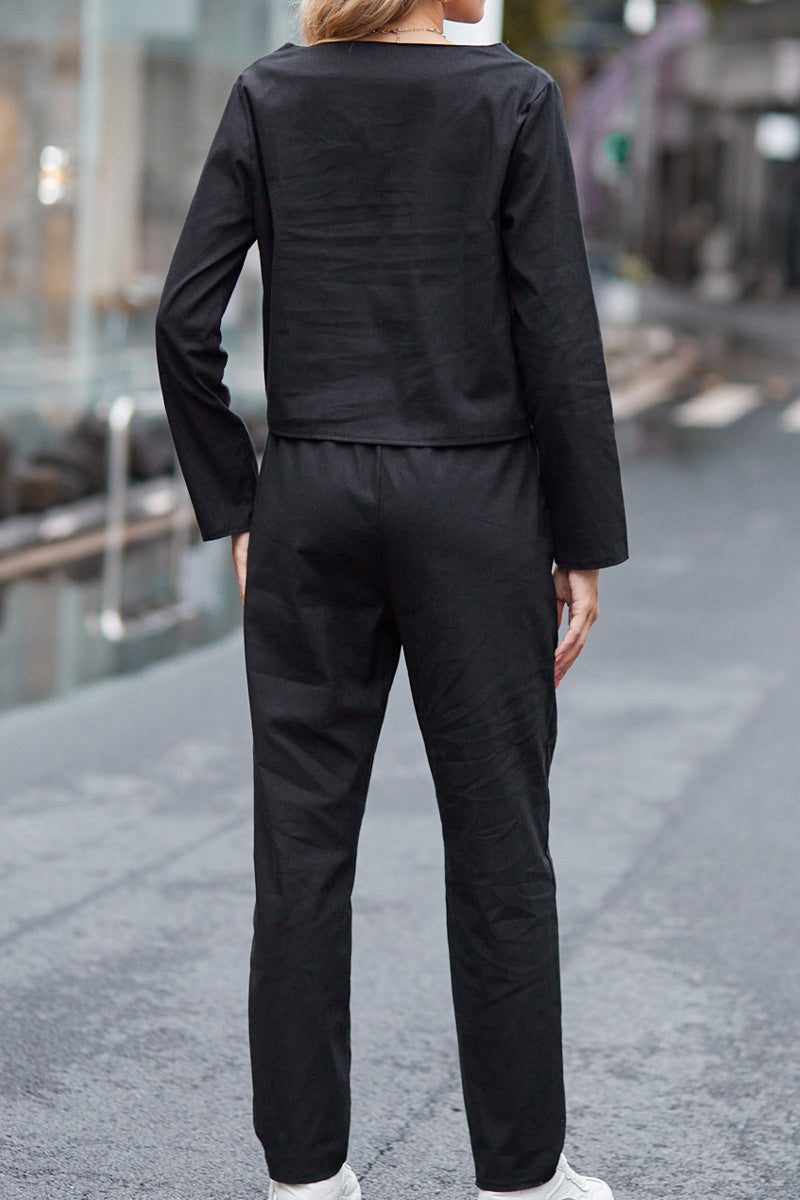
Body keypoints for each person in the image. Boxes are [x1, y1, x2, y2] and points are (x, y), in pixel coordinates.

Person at [154, 0, 629, 1196]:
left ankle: (306, 1176)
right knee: (500, 851)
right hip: (476, 505)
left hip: (310, 488)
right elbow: (556, 337)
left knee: (301, 846)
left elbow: (182, 322)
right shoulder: (511, 100)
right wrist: (580, 538)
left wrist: (241, 498)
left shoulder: (271, 92)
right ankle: (521, 1176)